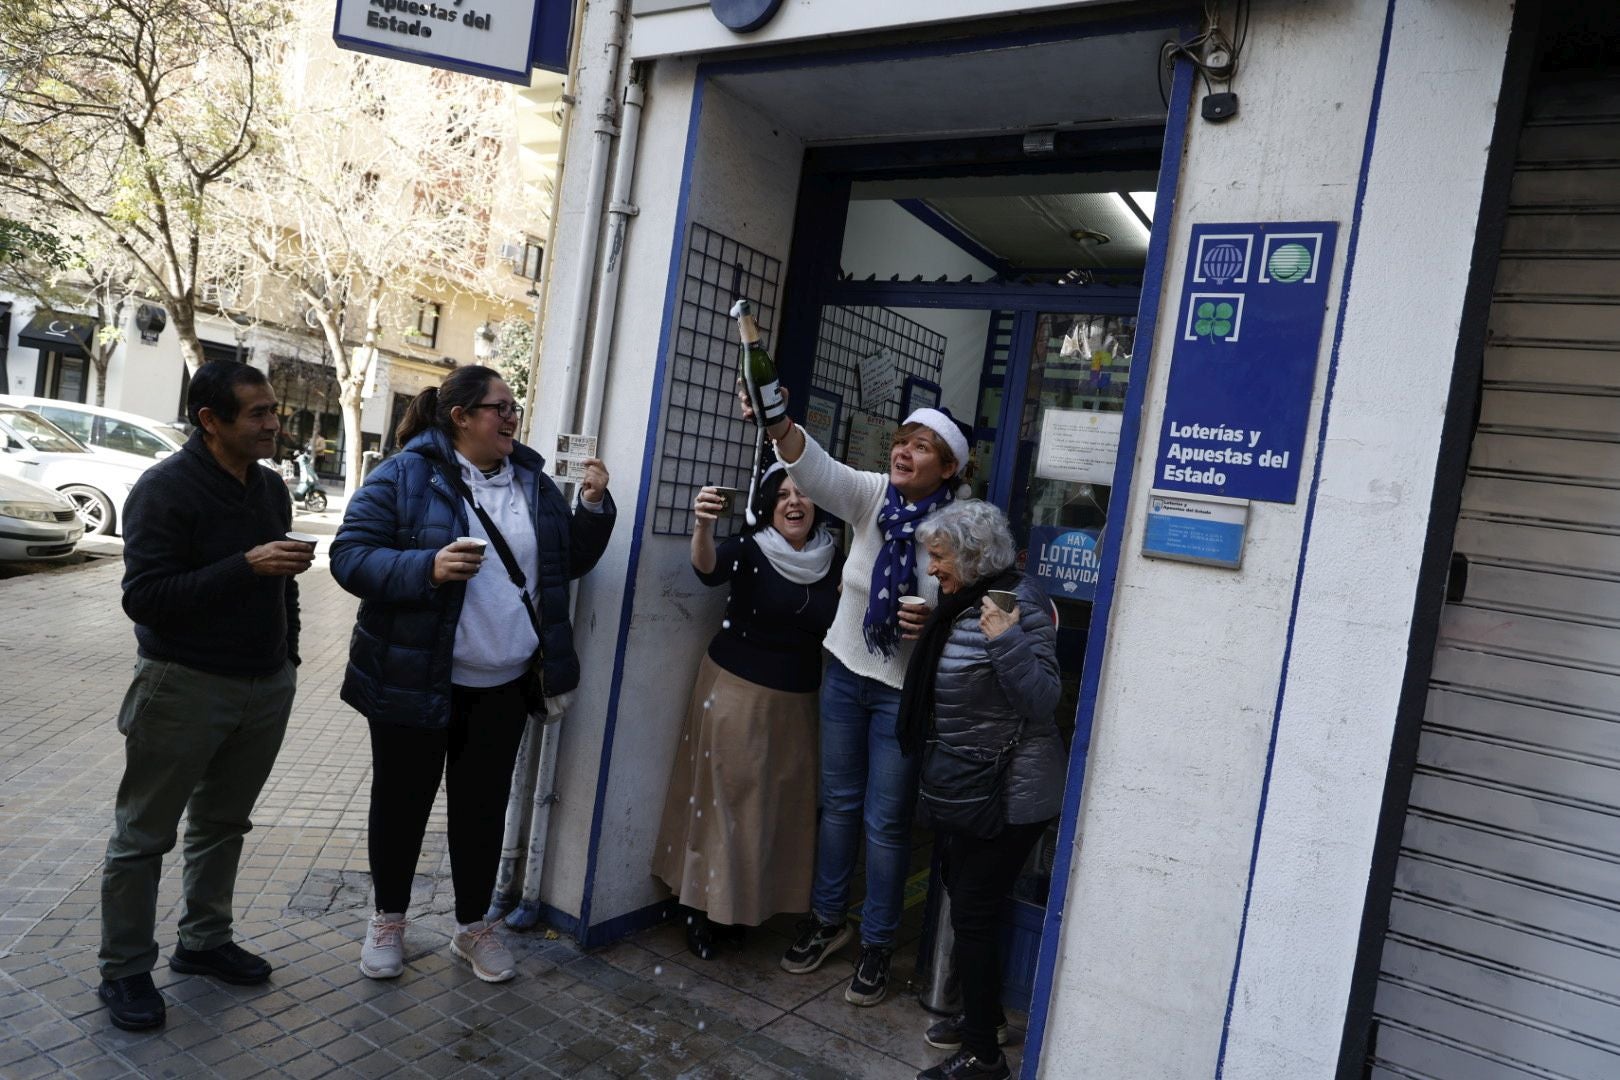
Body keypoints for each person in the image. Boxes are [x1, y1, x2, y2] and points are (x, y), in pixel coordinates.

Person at [330, 365, 614, 984]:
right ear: (461, 417)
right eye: (500, 408)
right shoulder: (405, 474)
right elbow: (349, 557)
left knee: (481, 809)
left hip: (505, 684)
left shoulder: (533, 483)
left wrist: (591, 507)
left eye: (514, 407)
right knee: (401, 803)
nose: (512, 418)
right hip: (415, 676)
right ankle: (388, 919)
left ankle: (471, 926)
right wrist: (425, 567)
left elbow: (567, 561)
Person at [97, 360, 313, 1032]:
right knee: (143, 836)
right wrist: (243, 566)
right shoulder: (165, 490)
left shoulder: (270, 487)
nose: (274, 423)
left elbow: (286, 583)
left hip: (263, 684)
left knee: (223, 824)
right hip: (183, 685)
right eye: (257, 414)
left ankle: (204, 942)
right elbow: (146, 598)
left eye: (274, 410)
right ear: (210, 420)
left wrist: (288, 656)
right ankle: (126, 969)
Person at [743, 386, 969, 1007]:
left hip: (902, 689)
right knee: (838, 803)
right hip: (844, 669)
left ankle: (877, 943)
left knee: (887, 822)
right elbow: (812, 466)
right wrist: (778, 421)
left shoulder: (963, 526)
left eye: (921, 447)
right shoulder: (872, 495)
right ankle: (826, 921)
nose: (903, 452)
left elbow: (974, 607)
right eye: (901, 441)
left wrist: (940, 621)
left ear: (948, 468)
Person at [900, 500, 1063, 1080]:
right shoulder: (961, 603)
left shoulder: (1016, 605)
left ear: (972, 556)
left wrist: (1007, 642)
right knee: (967, 899)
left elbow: (1043, 699)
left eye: (940, 557)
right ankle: (985, 1019)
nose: (933, 568)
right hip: (968, 781)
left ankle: (984, 1057)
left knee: (971, 910)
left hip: (1011, 789)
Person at [653, 464, 842, 960]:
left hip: (798, 700)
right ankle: (697, 907)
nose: (793, 503)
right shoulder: (754, 548)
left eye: (802, 493)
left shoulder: (834, 559)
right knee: (725, 802)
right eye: (782, 496)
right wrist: (702, 526)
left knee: (774, 810)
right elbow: (708, 568)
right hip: (737, 688)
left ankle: (742, 908)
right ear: (768, 504)